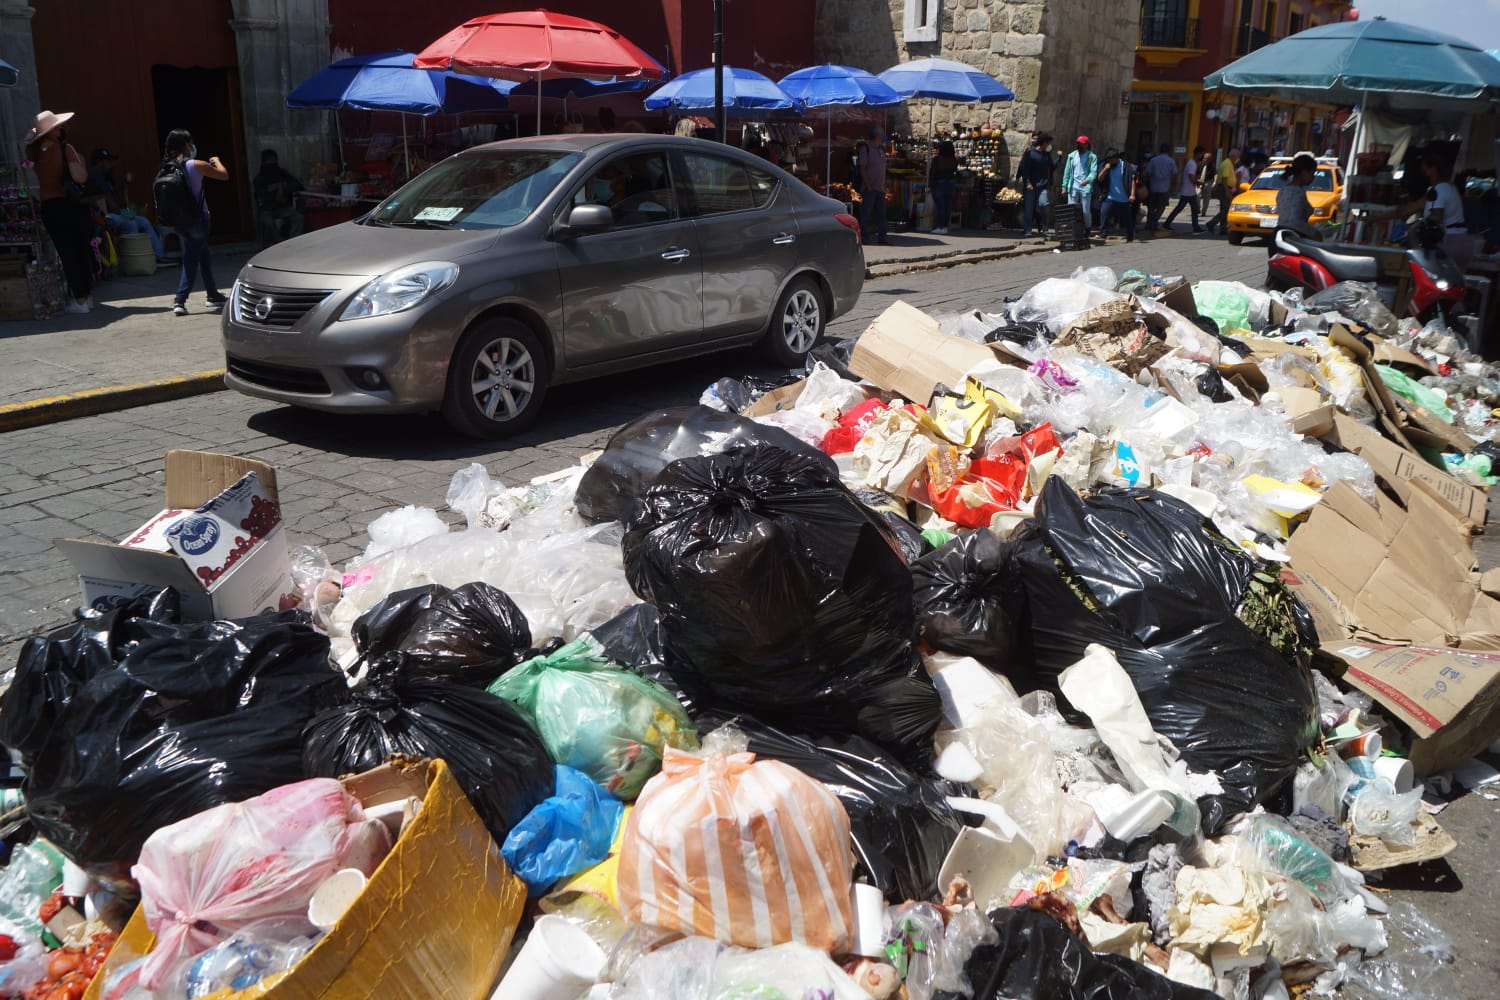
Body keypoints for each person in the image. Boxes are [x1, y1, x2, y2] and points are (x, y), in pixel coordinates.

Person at [23, 110, 93, 313]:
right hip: (69, 204)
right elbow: (80, 178)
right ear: (53, 130)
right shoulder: (65, 150)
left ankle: (80, 298)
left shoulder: (34, 153)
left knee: (66, 252)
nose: (62, 128)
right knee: (81, 250)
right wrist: (80, 162)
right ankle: (84, 298)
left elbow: (27, 141)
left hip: (50, 207)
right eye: (58, 126)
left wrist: (36, 133)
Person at [162, 128, 229, 316]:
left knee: (203, 254)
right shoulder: (195, 164)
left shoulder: (166, 167)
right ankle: (180, 300)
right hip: (198, 219)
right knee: (191, 259)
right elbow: (224, 175)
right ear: (185, 144)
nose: (192, 146)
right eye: (190, 143)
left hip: (178, 221)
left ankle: (212, 294)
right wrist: (216, 161)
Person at [1380, 150, 1472, 268]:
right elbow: (1406, 211)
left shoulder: (1439, 190)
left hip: (1449, 243)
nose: (1424, 174)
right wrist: (1375, 218)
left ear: (1433, 169)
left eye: (1424, 170)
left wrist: (1414, 227)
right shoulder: (1450, 187)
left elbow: (1436, 218)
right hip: (1463, 242)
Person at [84, 148, 167, 262]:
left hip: (115, 213)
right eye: (107, 161)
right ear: (99, 162)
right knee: (130, 223)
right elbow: (110, 203)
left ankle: (159, 256)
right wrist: (126, 214)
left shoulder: (105, 176)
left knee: (144, 222)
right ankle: (135, 261)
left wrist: (124, 186)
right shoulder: (94, 174)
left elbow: (119, 201)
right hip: (104, 216)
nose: (110, 164)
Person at [252, 148, 304, 247]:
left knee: (298, 217)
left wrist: (283, 190)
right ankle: (278, 243)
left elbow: (297, 185)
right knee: (268, 222)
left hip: (282, 207)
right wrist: (275, 197)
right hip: (267, 209)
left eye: (274, 160)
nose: (273, 162)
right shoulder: (260, 178)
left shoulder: (281, 173)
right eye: (270, 160)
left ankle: (293, 242)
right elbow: (261, 196)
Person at [1274, 153, 1321, 241]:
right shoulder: (1297, 192)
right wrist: (1314, 233)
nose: (1313, 177)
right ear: (1304, 173)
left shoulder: (1283, 190)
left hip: (1278, 235)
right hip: (1291, 239)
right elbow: (1294, 221)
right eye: (1312, 173)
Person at [857, 123, 889, 246]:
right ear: (877, 135)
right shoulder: (866, 148)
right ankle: (864, 237)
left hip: (880, 187)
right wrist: (868, 185)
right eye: (882, 134)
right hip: (870, 187)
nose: (883, 136)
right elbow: (862, 168)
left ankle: (883, 237)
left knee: (882, 214)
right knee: (866, 214)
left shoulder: (881, 149)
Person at [1016, 133, 1054, 237]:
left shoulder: (1047, 155)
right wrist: (1027, 183)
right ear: (1044, 143)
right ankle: (1027, 230)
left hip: (1043, 186)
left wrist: (1059, 158)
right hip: (1031, 186)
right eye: (1048, 143)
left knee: (1044, 204)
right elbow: (1025, 170)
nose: (1049, 145)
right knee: (1029, 208)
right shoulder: (1030, 153)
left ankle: (1045, 228)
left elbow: (1052, 167)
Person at [1096, 149, 1137, 242]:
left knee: (1127, 219)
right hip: (1110, 197)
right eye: (1108, 160)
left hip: (1123, 198)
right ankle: (1103, 233)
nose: (1110, 162)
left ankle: (1130, 235)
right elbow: (1099, 179)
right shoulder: (1106, 166)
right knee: (1104, 213)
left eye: (1112, 160)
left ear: (1117, 158)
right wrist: (1105, 169)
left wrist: (1132, 194)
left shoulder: (1126, 166)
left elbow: (1132, 180)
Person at [1163, 145, 1206, 232]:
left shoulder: (1192, 163)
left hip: (1190, 191)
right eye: (1202, 154)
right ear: (1199, 154)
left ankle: (1195, 226)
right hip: (1187, 192)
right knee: (1181, 208)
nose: (1203, 156)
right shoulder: (1192, 164)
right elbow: (1191, 177)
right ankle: (1167, 223)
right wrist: (1198, 182)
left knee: (1194, 209)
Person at [1060, 135, 1098, 233]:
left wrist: (1088, 180)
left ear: (1086, 145)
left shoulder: (1091, 157)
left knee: (1085, 211)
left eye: (1081, 144)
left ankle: (1088, 228)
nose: (1079, 145)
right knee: (1071, 210)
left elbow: (1093, 172)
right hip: (1073, 187)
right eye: (1078, 143)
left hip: (1085, 187)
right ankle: (1072, 230)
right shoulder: (1072, 156)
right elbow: (1067, 172)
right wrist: (1064, 187)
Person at [1143, 143, 1177, 234]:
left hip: (1153, 187)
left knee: (1151, 207)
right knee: (1161, 207)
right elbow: (1174, 174)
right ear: (1169, 151)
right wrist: (1173, 186)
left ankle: (1148, 224)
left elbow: (1148, 173)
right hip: (1165, 188)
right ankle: (1154, 223)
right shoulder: (1171, 161)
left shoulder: (1153, 160)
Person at [1206, 148, 1241, 235]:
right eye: (1237, 157)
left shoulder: (1230, 163)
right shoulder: (1227, 164)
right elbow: (1225, 178)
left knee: (1224, 208)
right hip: (1223, 188)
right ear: (1233, 156)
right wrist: (1227, 191)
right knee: (1227, 208)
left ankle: (1223, 228)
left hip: (1225, 188)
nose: (1238, 159)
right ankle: (1211, 223)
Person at [927, 140, 958, 235]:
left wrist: (930, 185)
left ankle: (940, 226)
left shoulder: (937, 160)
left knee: (940, 206)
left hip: (940, 182)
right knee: (947, 206)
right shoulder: (953, 160)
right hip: (951, 183)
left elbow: (933, 173)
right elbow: (955, 171)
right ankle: (945, 226)